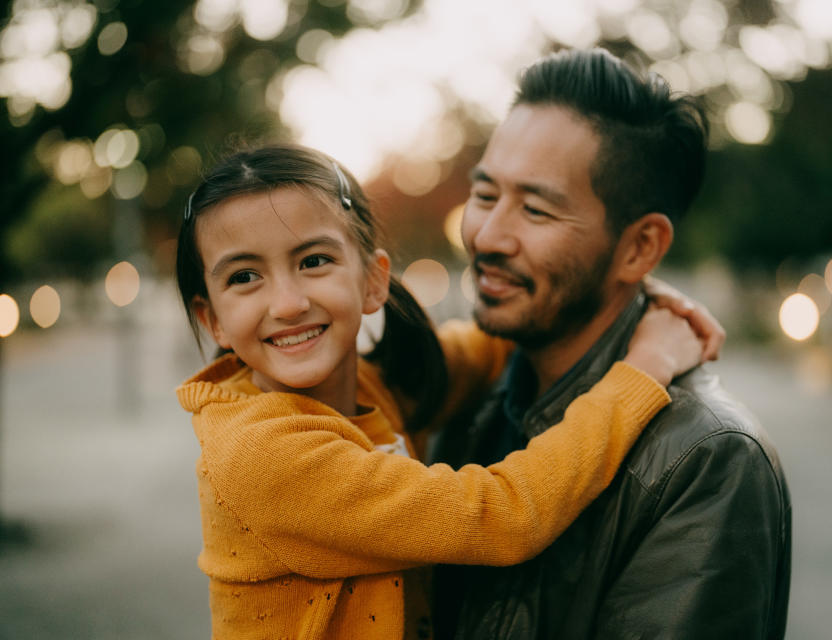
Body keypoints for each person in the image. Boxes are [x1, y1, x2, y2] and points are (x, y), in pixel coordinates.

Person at [174, 144, 715, 639]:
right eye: (244, 277)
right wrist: (646, 367)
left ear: (373, 281)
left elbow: (478, 349)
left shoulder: (368, 383)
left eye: (314, 261)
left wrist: (617, 289)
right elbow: (503, 515)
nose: (288, 302)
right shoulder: (262, 454)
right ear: (212, 318)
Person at [431, 48, 792, 639]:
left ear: (640, 249)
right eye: (485, 194)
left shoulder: (706, 459)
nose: (487, 236)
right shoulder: (475, 392)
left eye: (537, 210)